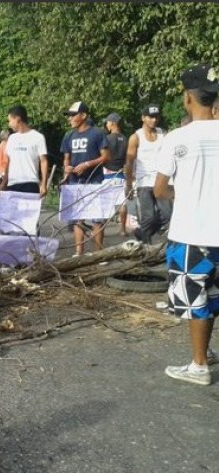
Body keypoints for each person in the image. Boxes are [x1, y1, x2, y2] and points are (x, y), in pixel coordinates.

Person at [154, 64, 219, 386]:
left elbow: (160, 189)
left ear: (187, 98)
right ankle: (206, 351)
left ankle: (199, 365)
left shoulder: (178, 138)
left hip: (192, 234)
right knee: (215, 297)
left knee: (195, 299)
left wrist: (187, 196)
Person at [59, 101, 110, 256]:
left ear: (83, 115)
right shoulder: (68, 136)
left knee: (97, 219)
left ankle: (98, 254)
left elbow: (106, 157)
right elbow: (66, 158)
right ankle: (79, 252)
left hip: (94, 180)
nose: (70, 118)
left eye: (73, 115)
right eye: (69, 115)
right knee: (77, 218)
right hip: (75, 182)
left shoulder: (97, 133)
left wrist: (87, 164)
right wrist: (66, 170)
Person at [125, 103, 172, 244]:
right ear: (143, 118)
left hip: (161, 180)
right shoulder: (136, 137)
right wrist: (128, 184)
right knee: (148, 217)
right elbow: (129, 162)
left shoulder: (163, 134)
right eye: (150, 117)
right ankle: (146, 249)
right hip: (143, 182)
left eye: (156, 117)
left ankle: (141, 233)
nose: (154, 120)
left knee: (168, 215)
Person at [0, 105, 48, 197]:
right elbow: (8, 162)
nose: (9, 124)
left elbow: (43, 161)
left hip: (30, 183)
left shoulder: (38, 137)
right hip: (12, 184)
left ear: (18, 119)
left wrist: (43, 184)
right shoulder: (12, 138)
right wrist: (4, 182)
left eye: (10, 121)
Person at [103, 112, 129, 236]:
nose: (106, 125)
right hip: (120, 173)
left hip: (107, 173)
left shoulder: (107, 139)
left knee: (103, 202)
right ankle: (123, 230)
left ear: (113, 123)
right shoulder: (125, 138)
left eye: (107, 122)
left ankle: (100, 227)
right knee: (122, 203)